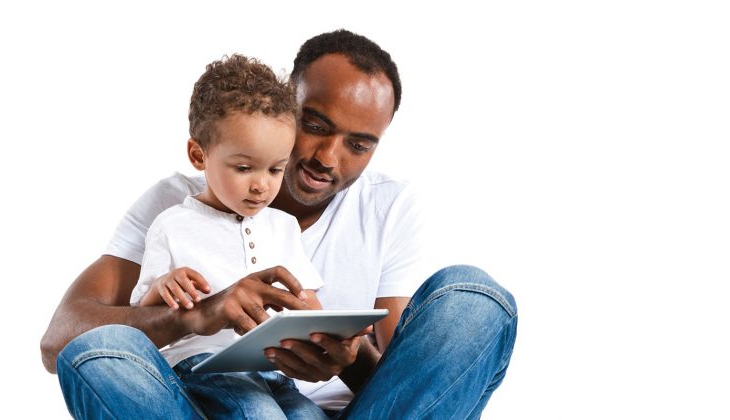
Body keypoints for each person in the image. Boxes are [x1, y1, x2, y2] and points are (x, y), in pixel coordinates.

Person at [41, 29, 518, 418]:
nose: (327, 158)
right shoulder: (177, 204)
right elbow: (59, 342)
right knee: (97, 354)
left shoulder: (386, 206)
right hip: (202, 405)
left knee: (475, 298)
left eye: (359, 144)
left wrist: (345, 362)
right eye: (315, 125)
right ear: (285, 108)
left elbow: (410, 387)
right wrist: (195, 315)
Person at [128, 53, 329, 419]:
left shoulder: (282, 226)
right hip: (205, 365)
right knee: (259, 415)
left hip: (274, 369)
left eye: (275, 169)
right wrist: (166, 284)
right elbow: (143, 311)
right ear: (198, 155)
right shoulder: (172, 224)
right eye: (243, 168)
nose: (261, 185)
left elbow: (306, 300)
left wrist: (328, 329)